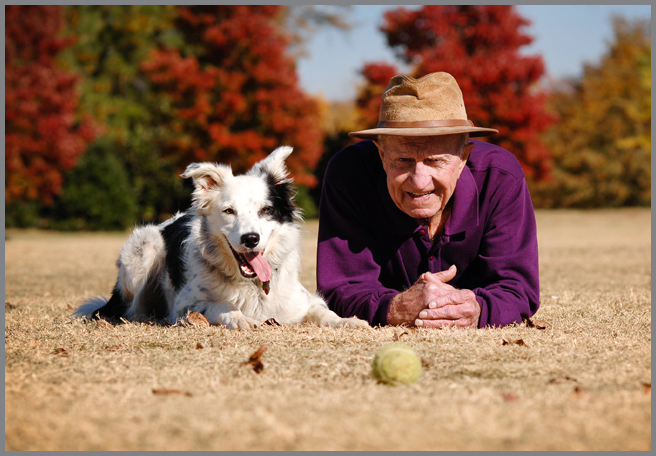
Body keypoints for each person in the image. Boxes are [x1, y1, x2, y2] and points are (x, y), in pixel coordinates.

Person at [316, 72, 539, 328]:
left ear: (463, 158)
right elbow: (340, 289)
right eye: (403, 160)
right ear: (381, 153)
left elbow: (517, 288)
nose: (419, 181)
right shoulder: (349, 174)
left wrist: (477, 309)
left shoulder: (501, 177)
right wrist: (396, 308)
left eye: (435, 161)